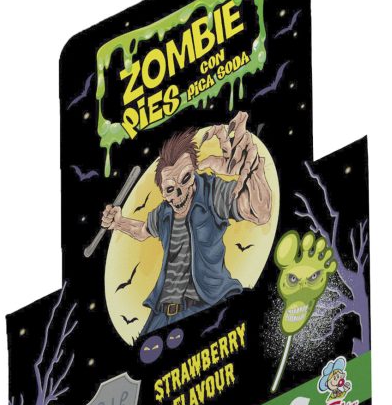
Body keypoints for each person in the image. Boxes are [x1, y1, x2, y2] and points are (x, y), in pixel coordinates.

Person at [100, 113, 271, 331]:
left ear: (195, 173)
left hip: (206, 304)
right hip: (162, 314)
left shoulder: (211, 192)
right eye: (170, 189)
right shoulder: (164, 212)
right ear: (163, 192)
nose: (179, 193)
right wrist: (118, 222)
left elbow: (259, 212)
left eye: (186, 178)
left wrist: (252, 166)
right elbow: (142, 230)